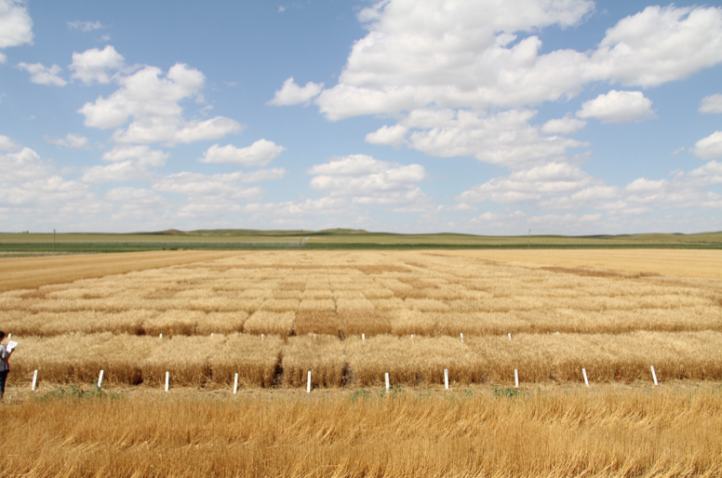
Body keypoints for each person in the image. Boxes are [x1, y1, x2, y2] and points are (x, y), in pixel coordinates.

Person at [0, 331, 12, 399]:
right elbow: (5, 358)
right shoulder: (2, 347)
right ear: (1, 338)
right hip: (2, 368)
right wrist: (10, 352)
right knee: (1, 384)